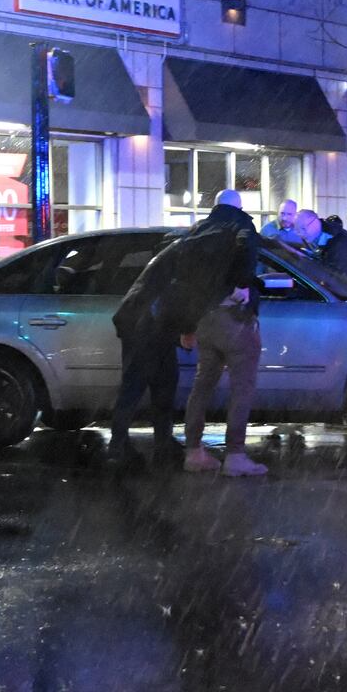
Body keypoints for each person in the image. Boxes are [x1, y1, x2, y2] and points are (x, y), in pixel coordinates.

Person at [182, 189, 269, 477]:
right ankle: (235, 455)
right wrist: (242, 285)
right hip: (233, 317)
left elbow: (187, 274)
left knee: (202, 384)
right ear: (239, 206)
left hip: (204, 318)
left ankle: (194, 452)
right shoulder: (241, 224)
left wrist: (188, 323)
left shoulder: (198, 229)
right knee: (241, 387)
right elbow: (246, 251)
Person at [105, 236, 185, 468]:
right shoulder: (171, 273)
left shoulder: (155, 268)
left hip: (139, 333)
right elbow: (167, 309)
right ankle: (155, 447)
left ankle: (120, 446)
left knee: (133, 392)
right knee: (160, 391)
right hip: (149, 335)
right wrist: (182, 332)